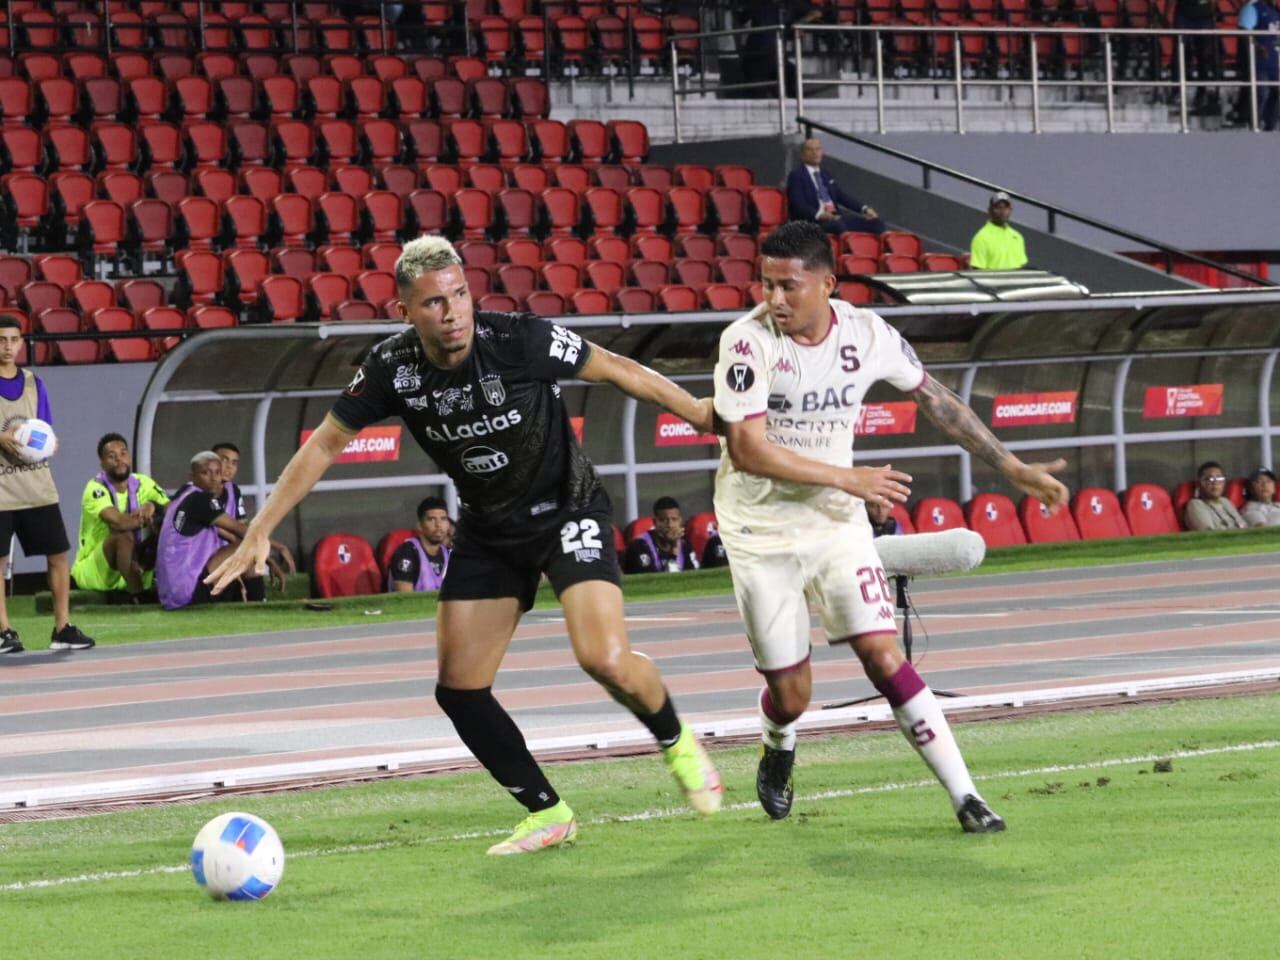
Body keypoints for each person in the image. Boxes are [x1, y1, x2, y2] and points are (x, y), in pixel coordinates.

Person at [207, 235, 723, 856]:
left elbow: (617, 367)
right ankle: (547, 812)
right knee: (459, 690)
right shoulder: (391, 368)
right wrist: (259, 528)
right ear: (405, 312)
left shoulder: (518, 339)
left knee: (603, 658)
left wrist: (695, 409)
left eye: (458, 295)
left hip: (567, 511)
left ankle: (676, 740)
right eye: (432, 302)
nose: (451, 312)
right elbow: (323, 444)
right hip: (488, 531)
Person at [713, 220, 1068, 831]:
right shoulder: (746, 343)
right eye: (766, 285)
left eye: (788, 286)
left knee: (881, 653)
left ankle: (967, 797)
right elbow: (747, 449)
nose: (774, 300)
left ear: (827, 283)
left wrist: (1011, 468)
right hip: (760, 528)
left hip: (835, 523)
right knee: (793, 696)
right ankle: (778, 743)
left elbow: (935, 399)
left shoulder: (868, 332)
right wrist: (851, 479)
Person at [0, 316, 94, 653]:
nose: (8, 347)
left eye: (13, 340)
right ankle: (3, 631)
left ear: (22, 343)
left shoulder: (33, 383)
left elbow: (46, 431)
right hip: (1, 492)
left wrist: (47, 444)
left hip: (37, 486)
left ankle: (62, 628)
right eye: (1, 340)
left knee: (57, 555)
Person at [156, 451, 275, 610]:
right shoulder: (200, 499)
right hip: (188, 593)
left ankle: (249, 602)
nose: (213, 479)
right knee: (243, 547)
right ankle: (260, 605)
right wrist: (275, 552)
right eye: (206, 473)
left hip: (171, 595)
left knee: (242, 546)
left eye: (217, 473)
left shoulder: (184, 495)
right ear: (192, 476)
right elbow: (241, 530)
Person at [71, 432, 169, 602]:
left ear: (129, 457)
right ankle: (139, 597)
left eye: (123, 453)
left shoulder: (143, 482)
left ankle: (170, 584)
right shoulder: (95, 488)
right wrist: (147, 516)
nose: (119, 459)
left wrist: (154, 506)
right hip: (96, 570)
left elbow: (172, 510)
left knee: (168, 528)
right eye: (112, 456)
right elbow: (119, 523)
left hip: (132, 560)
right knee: (122, 535)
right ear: (102, 463)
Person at [212, 441, 296, 578]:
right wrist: (276, 547)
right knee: (248, 556)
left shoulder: (233, 490)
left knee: (248, 558)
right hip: (199, 563)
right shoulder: (198, 493)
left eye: (234, 463)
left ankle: (259, 599)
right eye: (224, 460)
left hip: (223, 555)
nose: (229, 467)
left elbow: (243, 527)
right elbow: (230, 532)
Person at [786, 138, 886, 236]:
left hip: (836, 217)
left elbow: (841, 196)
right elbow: (798, 205)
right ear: (802, 155)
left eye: (818, 149)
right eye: (810, 149)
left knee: (876, 223)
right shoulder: (796, 176)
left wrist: (864, 208)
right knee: (838, 225)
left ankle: (887, 251)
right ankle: (850, 251)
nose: (815, 152)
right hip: (815, 222)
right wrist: (820, 215)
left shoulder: (825, 174)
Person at [623, 496, 703, 574]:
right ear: (655, 522)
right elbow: (652, 583)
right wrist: (673, 552)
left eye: (674, 519)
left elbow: (694, 576)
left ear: (680, 521)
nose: (670, 525)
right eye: (663, 520)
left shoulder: (684, 543)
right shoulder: (639, 546)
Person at [388, 495, 451, 592]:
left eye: (443, 519)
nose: (438, 525)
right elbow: (404, 599)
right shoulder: (407, 552)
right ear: (420, 526)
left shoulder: (449, 553)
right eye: (431, 519)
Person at [1238, 0, 1280, 131]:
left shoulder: (1276, 11)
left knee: (1276, 95)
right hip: (1258, 64)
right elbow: (1244, 33)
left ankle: (1270, 127)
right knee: (1260, 94)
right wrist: (1257, 47)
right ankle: (1254, 126)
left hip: (1275, 62)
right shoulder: (1253, 7)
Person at [969, 191, 1028, 271]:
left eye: (1006, 208)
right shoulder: (981, 238)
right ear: (990, 210)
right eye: (998, 207)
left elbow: (1021, 268)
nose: (1002, 211)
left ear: (1010, 210)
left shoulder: (1017, 237)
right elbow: (977, 272)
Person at [1184, 461, 1247, 530]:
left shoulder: (1225, 501)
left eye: (1219, 478)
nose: (1215, 483)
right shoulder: (1195, 504)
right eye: (1209, 479)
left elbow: (1243, 526)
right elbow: (1209, 535)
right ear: (1198, 484)